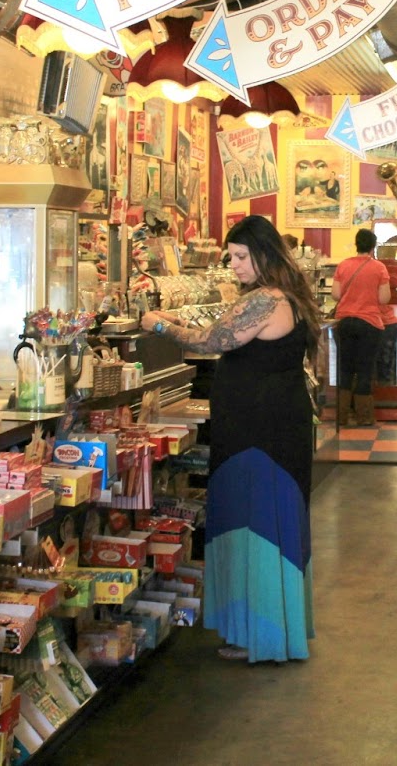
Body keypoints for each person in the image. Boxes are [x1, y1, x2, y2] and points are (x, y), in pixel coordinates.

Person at [140, 216, 320, 663]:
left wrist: (159, 323)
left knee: (255, 524)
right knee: (265, 523)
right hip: (269, 425)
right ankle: (263, 629)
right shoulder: (287, 296)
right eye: (231, 257)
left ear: (264, 254)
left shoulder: (265, 300)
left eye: (241, 256)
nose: (234, 265)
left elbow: (210, 340)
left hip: (260, 433)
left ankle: (262, 635)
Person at [331, 228, 391, 428]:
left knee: (345, 368)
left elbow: (336, 295)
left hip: (345, 322)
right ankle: (364, 417)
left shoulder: (343, 265)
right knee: (365, 369)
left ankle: (342, 416)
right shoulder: (379, 268)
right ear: (373, 246)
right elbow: (384, 298)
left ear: (356, 244)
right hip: (370, 323)